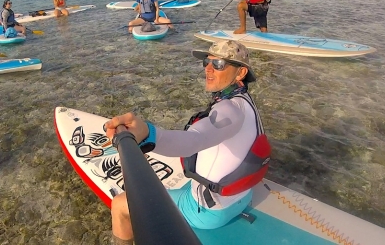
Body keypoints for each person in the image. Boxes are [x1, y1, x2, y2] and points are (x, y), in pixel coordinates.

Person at [104, 40, 271, 244]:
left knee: (120, 204)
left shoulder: (230, 111)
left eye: (218, 64)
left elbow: (195, 139)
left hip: (209, 211)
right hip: (242, 198)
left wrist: (149, 133)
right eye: (207, 63)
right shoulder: (246, 103)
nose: (208, 69)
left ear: (241, 73)